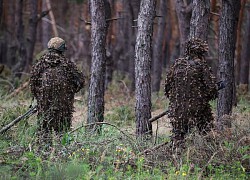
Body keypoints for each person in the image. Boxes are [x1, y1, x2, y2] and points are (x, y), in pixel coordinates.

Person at [165, 38, 219, 145]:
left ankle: (176, 156)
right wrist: (212, 92)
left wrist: (176, 101)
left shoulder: (177, 65)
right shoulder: (201, 66)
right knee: (207, 133)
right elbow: (212, 89)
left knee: (178, 137)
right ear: (201, 52)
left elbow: (167, 88)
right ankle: (210, 154)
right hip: (198, 109)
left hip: (177, 110)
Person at [30, 37, 84, 135]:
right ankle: (62, 150)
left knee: (44, 133)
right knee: (63, 134)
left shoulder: (40, 64)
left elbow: (33, 84)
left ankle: (44, 149)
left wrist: (40, 97)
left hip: (44, 106)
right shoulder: (68, 64)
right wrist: (70, 92)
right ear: (62, 49)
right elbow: (81, 81)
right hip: (64, 106)